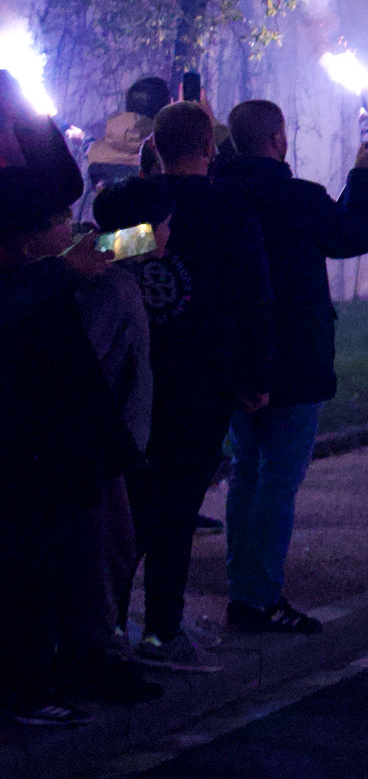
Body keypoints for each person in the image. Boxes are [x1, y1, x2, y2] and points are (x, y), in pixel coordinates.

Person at [90, 99, 274, 672]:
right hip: (203, 377)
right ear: (209, 149)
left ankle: (111, 622)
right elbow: (253, 296)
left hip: (135, 376)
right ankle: (162, 628)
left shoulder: (142, 205)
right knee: (178, 507)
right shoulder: (229, 208)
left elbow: (97, 256)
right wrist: (255, 374)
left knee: (133, 505)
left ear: (156, 149)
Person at [210, 99, 368, 634]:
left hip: (232, 358)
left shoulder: (217, 197)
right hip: (294, 357)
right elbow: (353, 234)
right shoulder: (298, 198)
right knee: (278, 480)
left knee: (246, 474)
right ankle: (261, 598)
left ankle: (245, 591)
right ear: (279, 140)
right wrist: (362, 173)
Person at [1, 164, 151, 725]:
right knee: (33, 569)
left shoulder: (53, 270)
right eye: (60, 219)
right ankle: (31, 685)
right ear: (26, 235)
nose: (72, 225)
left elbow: (135, 241)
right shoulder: (33, 282)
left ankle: (61, 666)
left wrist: (132, 238)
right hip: (33, 450)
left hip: (68, 446)